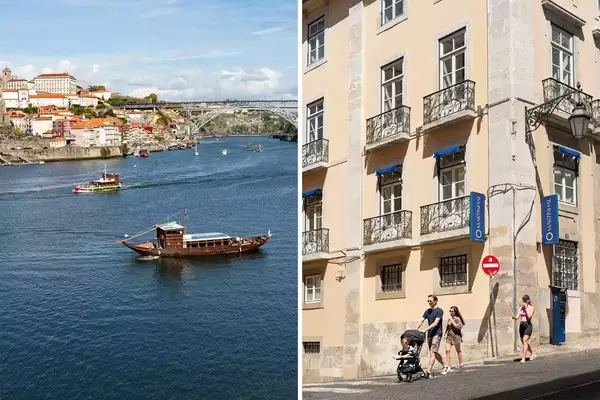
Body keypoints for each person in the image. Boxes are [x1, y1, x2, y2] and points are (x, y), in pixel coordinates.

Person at [417, 294, 445, 377]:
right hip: (430, 334)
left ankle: (428, 371)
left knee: (433, 352)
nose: (429, 302)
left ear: (435, 301)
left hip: (437, 333)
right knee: (434, 353)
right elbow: (421, 320)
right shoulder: (427, 311)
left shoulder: (439, 310)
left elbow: (436, 323)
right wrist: (416, 328)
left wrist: (425, 329)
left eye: (430, 301)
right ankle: (445, 365)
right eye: (428, 301)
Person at [512, 294, 536, 363]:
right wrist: (514, 317)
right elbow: (517, 317)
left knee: (525, 340)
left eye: (525, 300)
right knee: (524, 342)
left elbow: (529, 317)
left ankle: (523, 358)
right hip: (522, 325)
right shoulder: (520, 308)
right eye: (523, 300)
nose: (524, 302)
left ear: (528, 301)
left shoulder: (531, 308)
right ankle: (532, 353)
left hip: (528, 325)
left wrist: (525, 309)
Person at [442, 306, 465, 375]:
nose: (451, 312)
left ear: (455, 312)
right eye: (450, 311)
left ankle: (460, 363)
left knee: (458, 350)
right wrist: (445, 334)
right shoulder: (450, 319)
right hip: (449, 336)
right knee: (447, 350)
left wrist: (452, 321)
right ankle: (447, 365)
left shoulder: (457, 319)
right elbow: (448, 327)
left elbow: (459, 327)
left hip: (456, 336)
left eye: (452, 311)